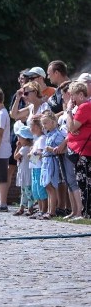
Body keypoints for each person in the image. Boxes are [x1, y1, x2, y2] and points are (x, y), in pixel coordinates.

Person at [66, 80, 91, 218]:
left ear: (80, 94)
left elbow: (71, 127)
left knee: (84, 183)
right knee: (85, 182)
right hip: (84, 150)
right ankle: (86, 212)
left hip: (83, 151)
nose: (72, 99)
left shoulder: (84, 107)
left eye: (73, 96)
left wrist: (69, 110)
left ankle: (86, 213)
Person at [39, 110, 66, 219]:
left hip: (52, 161)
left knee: (51, 186)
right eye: (43, 123)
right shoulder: (49, 134)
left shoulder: (57, 134)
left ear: (53, 122)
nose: (44, 126)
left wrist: (51, 149)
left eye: (46, 123)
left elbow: (61, 148)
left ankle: (52, 211)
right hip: (46, 161)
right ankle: (49, 210)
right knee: (47, 186)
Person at [28, 116, 48, 218]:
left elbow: (41, 153)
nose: (30, 128)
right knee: (35, 190)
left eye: (31, 126)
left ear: (36, 127)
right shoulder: (37, 139)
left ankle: (44, 209)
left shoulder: (42, 139)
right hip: (34, 167)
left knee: (41, 189)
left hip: (39, 167)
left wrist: (32, 155)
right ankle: (40, 209)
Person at [13, 126, 34, 216]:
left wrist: (17, 147)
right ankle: (22, 207)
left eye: (20, 137)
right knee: (24, 191)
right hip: (24, 171)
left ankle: (30, 208)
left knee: (27, 191)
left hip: (26, 172)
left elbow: (15, 157)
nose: (18, 139)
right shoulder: (28, 147)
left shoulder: (24, 148)